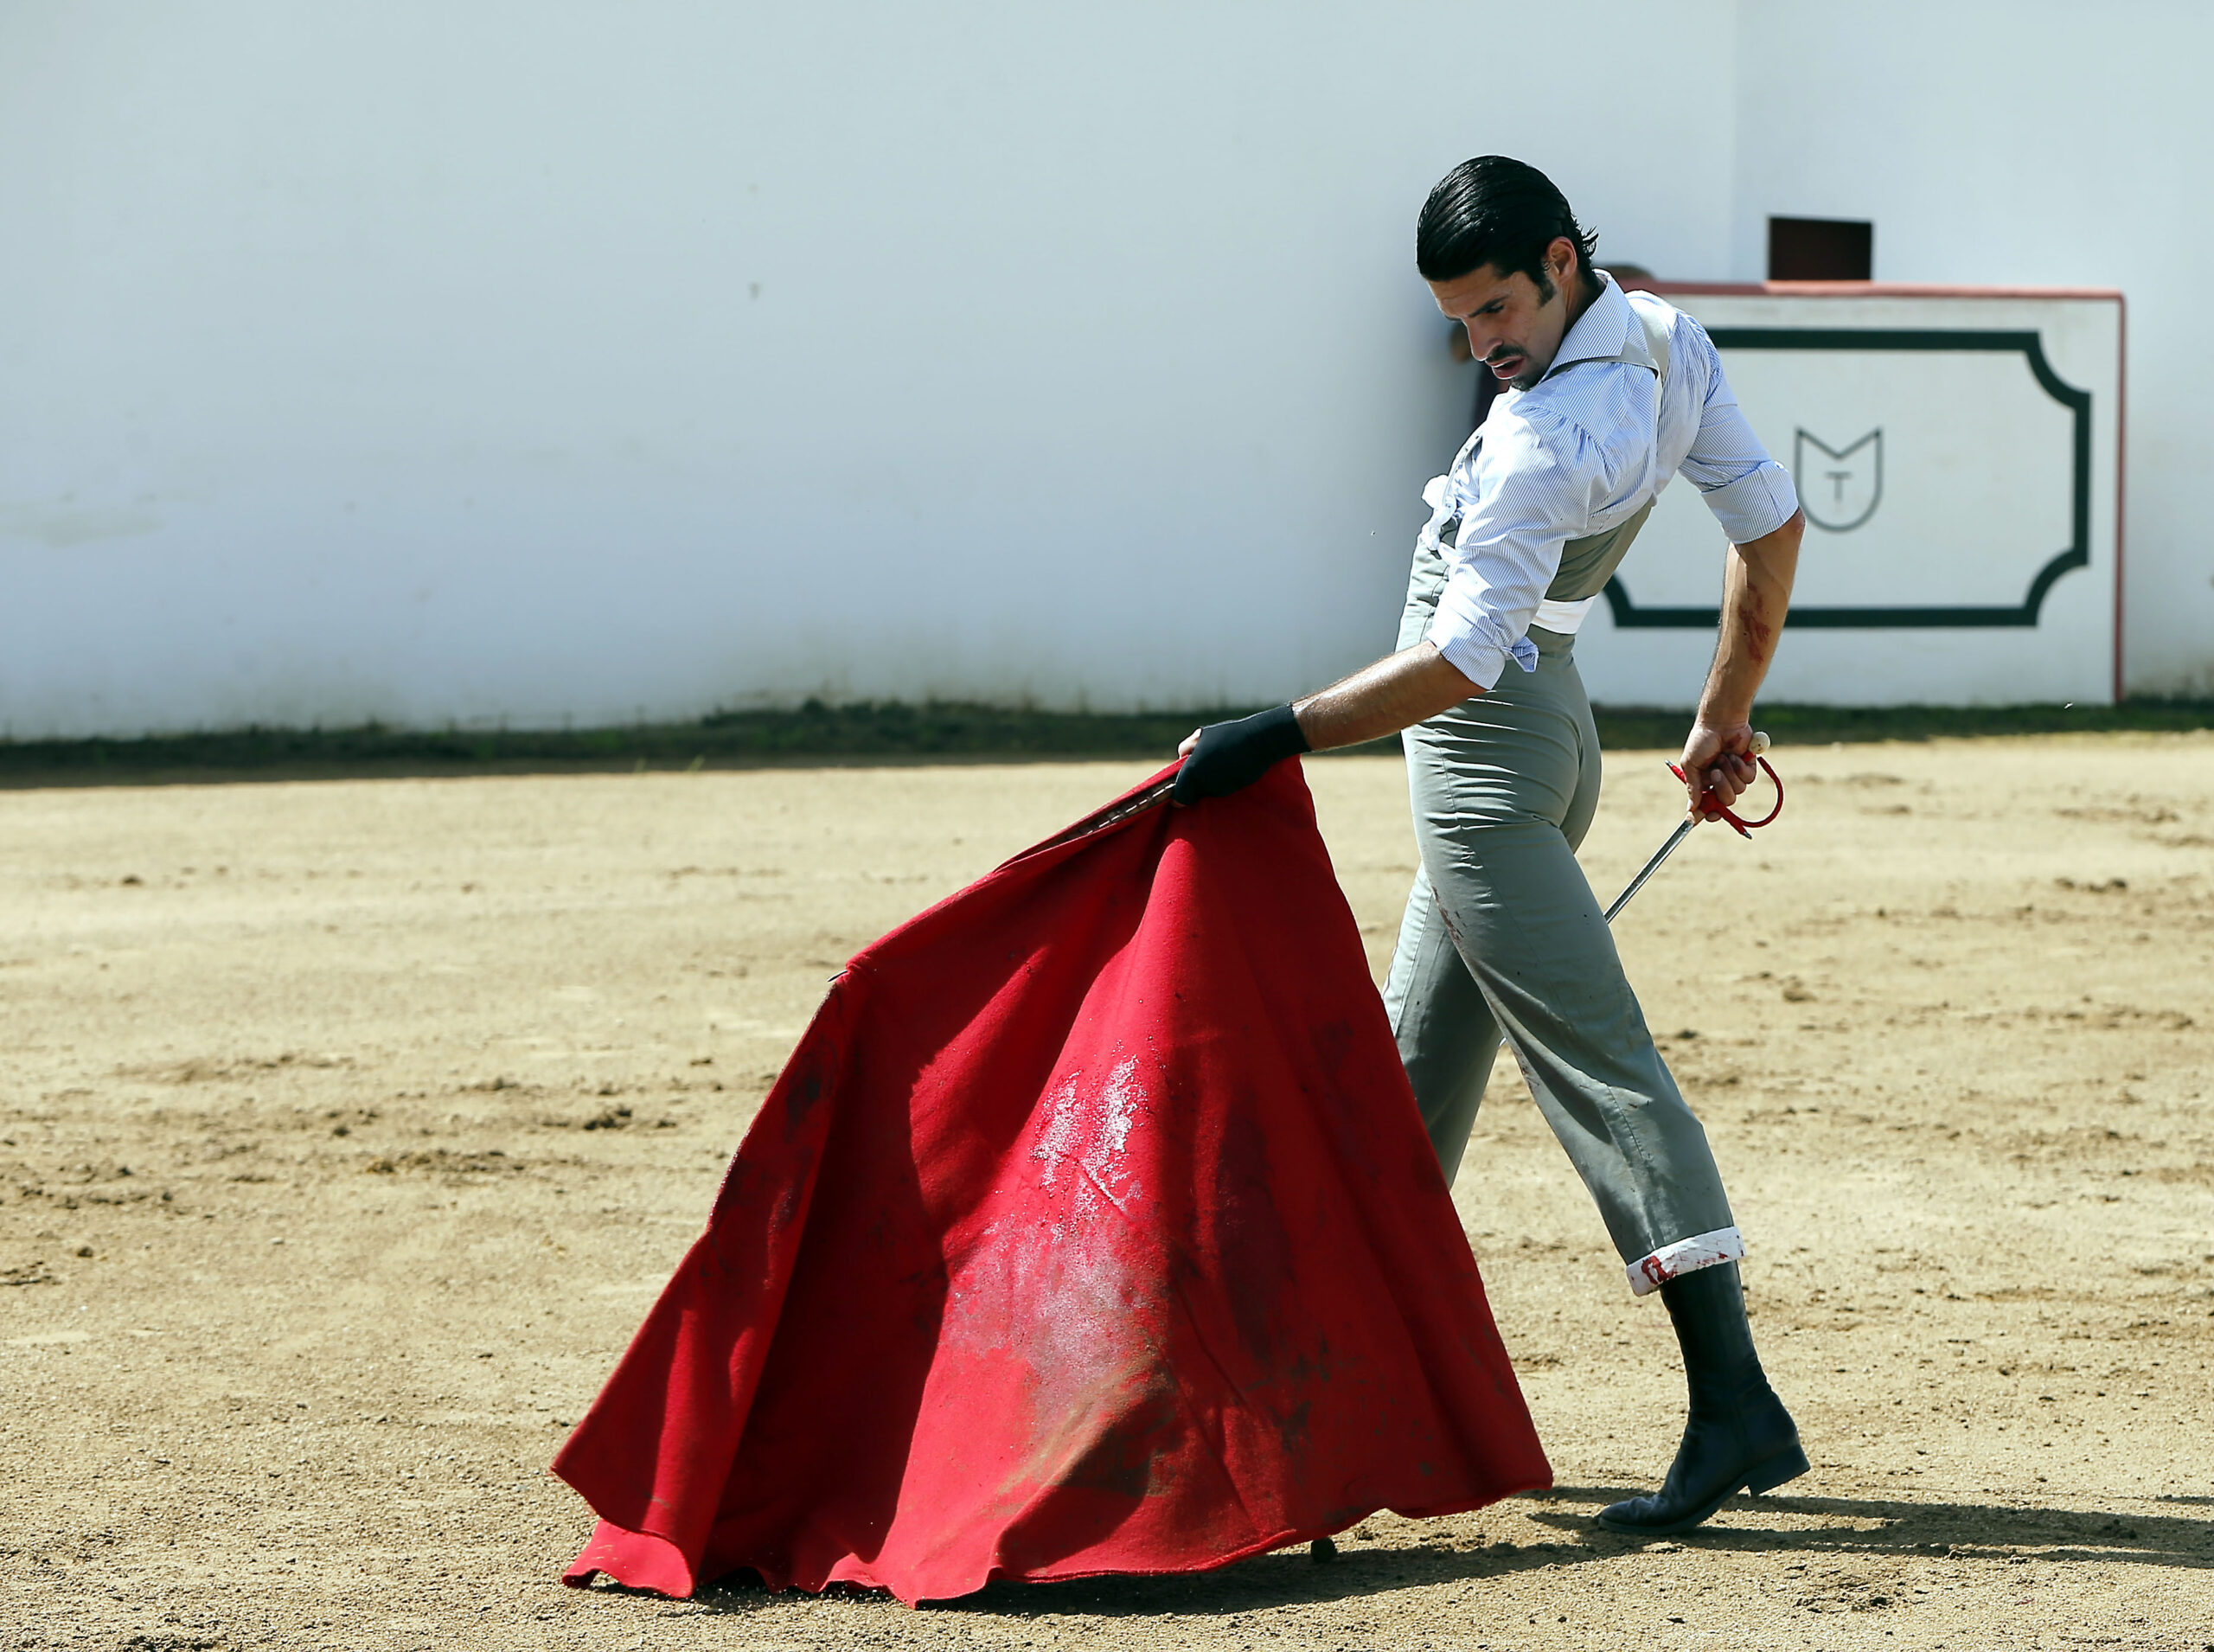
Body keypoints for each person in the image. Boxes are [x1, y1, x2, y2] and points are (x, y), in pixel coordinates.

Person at [1172, 155, 1808, 1536]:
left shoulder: (1533, 442)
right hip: (1549, 739)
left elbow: (1457, 661)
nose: (1482, 345)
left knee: (1599, 1061)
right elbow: (1769, 520)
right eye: (1461, 322)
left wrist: (1274, 733)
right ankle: (1324, 1391)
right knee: (1408, 1078)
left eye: (1499, 309)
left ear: (1563, 262)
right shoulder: (1661, 335)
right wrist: (1724, 711)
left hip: (1482, 773)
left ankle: (1733, 1400)